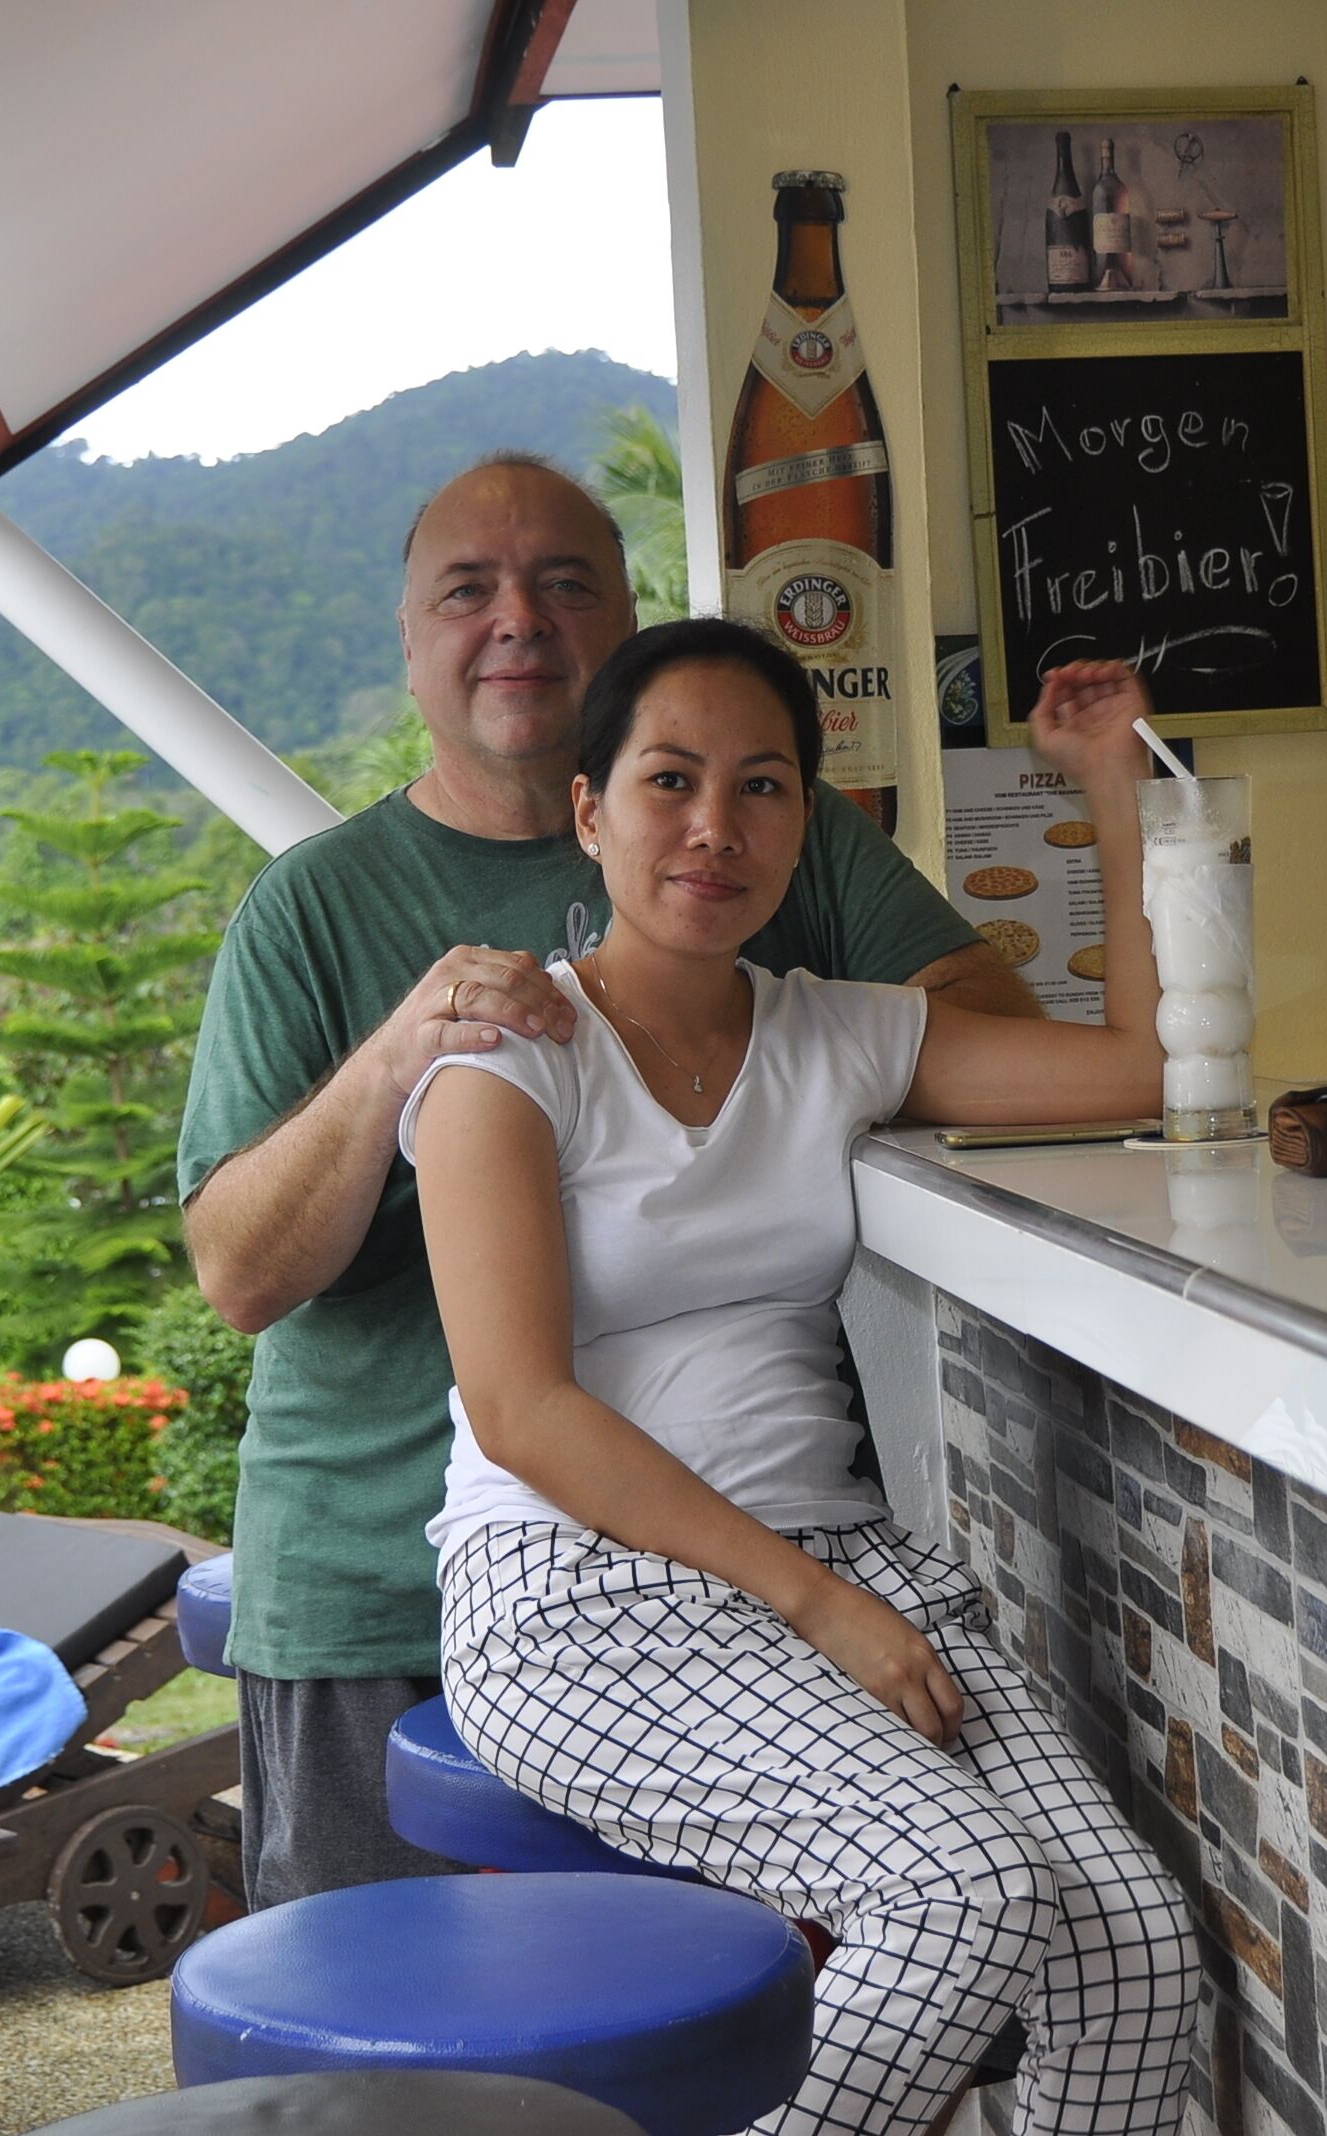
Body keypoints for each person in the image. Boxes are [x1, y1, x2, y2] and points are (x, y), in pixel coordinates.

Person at [177, 452, 1066, 1910]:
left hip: (716, 1573)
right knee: (412, 2078)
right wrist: (398, 1058)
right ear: (411, 640)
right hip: (371, 1589)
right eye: (468, 591)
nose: (518, 620)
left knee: (742, 2012)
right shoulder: (315, 905)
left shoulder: (770, 838)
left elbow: (986, 1022)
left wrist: (788, 1051)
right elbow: (239, 1273)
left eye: (566, 584)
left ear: (627, 627)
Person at [403, 618, 1197, 2136]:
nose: (718, 828)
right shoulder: (505, 1063)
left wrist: (1110, 780)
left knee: (1134, 1953)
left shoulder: (840, 1032)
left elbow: (1144, 1070)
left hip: (828, 1566)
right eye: (671, 780)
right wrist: (819, 1602)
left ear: (809, 822)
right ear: (590, 808)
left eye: (765, 787)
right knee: (959, 1893)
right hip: (572, 1595)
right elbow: (522, 1413)